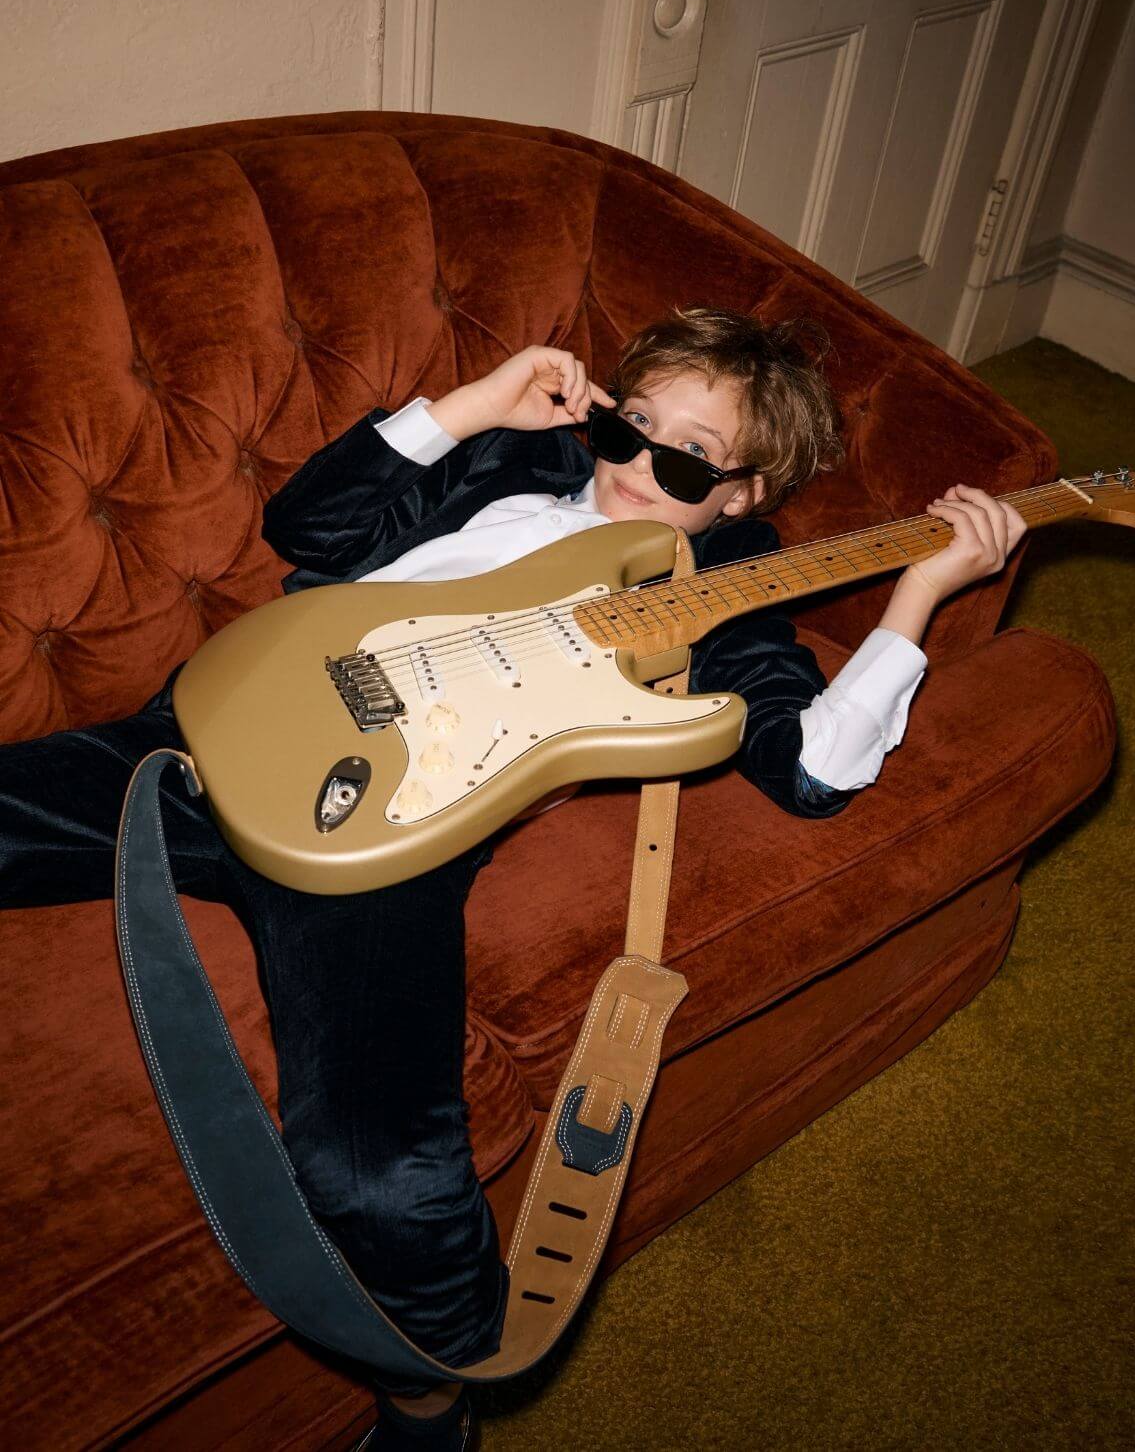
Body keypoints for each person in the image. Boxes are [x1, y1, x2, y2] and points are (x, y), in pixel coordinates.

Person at [0, 308, 1025, 1450]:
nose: (640, 464)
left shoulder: (727, 597)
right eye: (634, 425)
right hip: (220, 727)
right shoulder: (510, 467)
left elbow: (813, 771)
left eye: (690, 457)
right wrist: (473, 406)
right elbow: (307, 525)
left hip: (388, 844)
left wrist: (918, 594)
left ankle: (431, 1398)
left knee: (382, 1175)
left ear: (743, 496)